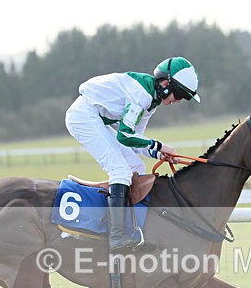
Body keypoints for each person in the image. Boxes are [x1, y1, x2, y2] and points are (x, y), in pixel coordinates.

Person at [65, 57, 201, 252]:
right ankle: (116, 236)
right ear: (164, 84)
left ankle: (132, 230)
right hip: (83, 116)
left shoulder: (151, 102)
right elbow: (125, 135)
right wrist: (160, 146)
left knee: (137, 167)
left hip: (97, 119)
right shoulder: (142, 95)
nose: (177, 101)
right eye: (178, 95)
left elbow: (135, 140)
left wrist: (159, 153)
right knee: (120, 171)